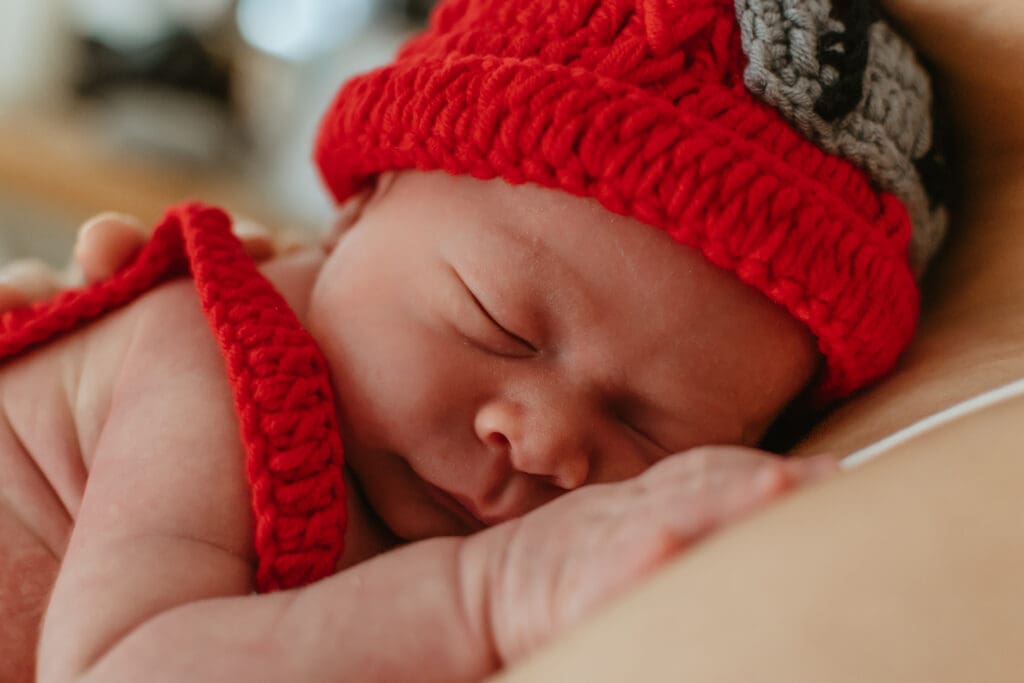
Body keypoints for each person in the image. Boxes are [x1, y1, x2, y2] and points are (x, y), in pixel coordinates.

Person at [0, 1, 944, 681]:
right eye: (500, 327)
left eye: (648, 425)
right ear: (358, 208)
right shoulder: (212, 357)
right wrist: (487, 595)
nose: (540, 440)